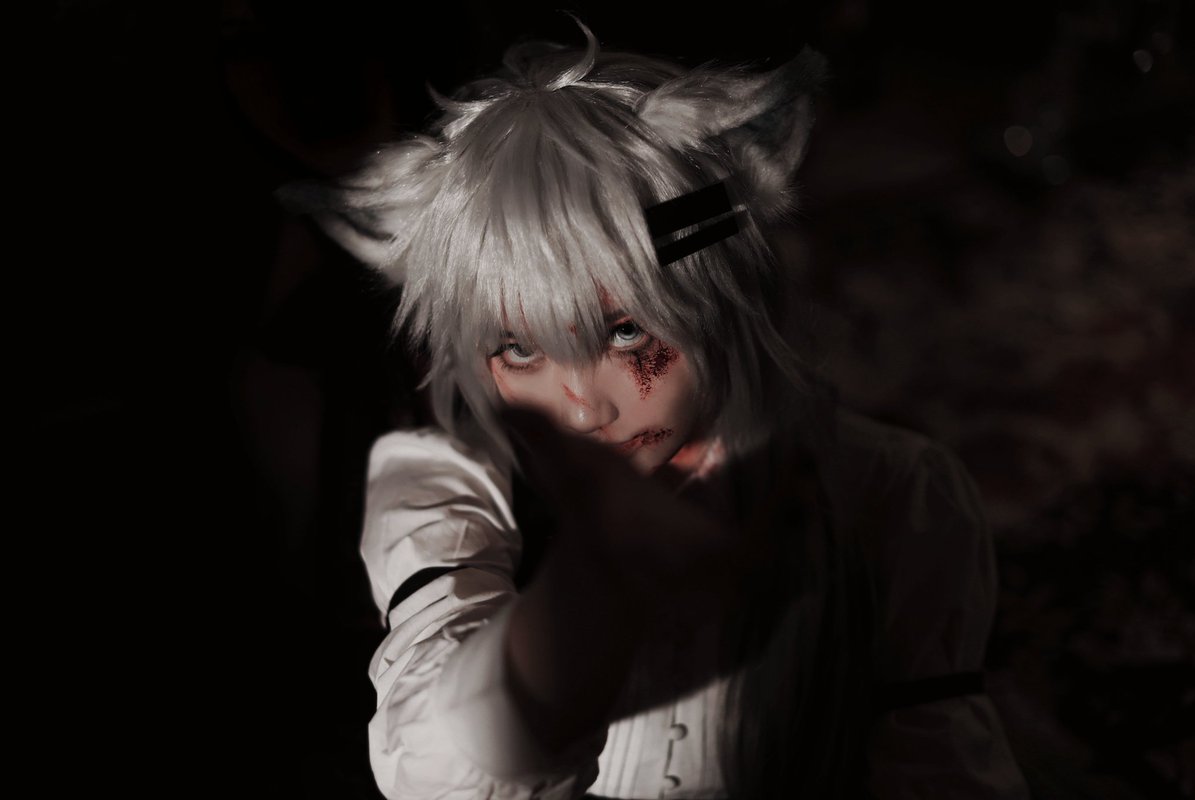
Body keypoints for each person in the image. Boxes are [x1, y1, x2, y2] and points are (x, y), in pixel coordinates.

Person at [285, 21, 1031, 800]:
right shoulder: (444, 483)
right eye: (521, 349)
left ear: (716, 294)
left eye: (625, 331)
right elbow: (438, 770)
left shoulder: (892, 493)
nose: (582, 407)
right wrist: (594, 582)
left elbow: (936, 764)